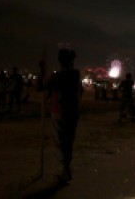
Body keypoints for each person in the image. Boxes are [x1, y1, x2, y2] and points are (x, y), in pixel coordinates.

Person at [43, 46, 83, 185]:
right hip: (73, 112)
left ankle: (65, 171)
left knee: (60, 141)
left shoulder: (58, 76)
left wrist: (43, 71)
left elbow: (40, 86)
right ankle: (65, 170)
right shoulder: (76, 75)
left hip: (59, 111)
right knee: (68, 141)